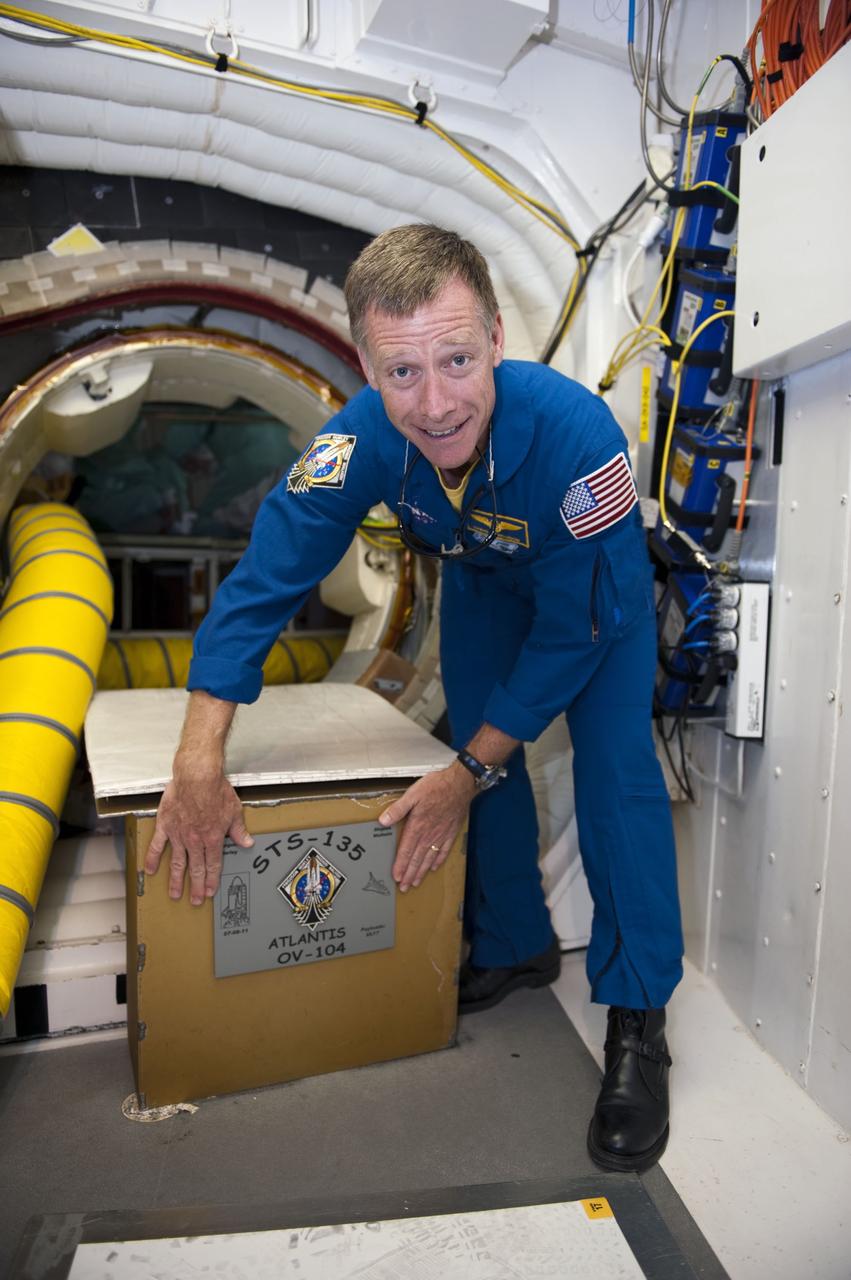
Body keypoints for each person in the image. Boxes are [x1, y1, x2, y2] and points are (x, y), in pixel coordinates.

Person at [147, 224, 684, 1173]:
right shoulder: (355, 439)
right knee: (485, 776)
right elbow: (265, 581)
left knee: (613, 782)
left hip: (591, 606)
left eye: (457, 360)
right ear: (365, 365)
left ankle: (638, 1016)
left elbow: (574, 633)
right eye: (400, 373)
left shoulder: (578, 438)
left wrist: (472, 763)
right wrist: (199, 757)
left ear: (496, 344)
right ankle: (516, 944)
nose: (434, 404)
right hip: (480, 584)